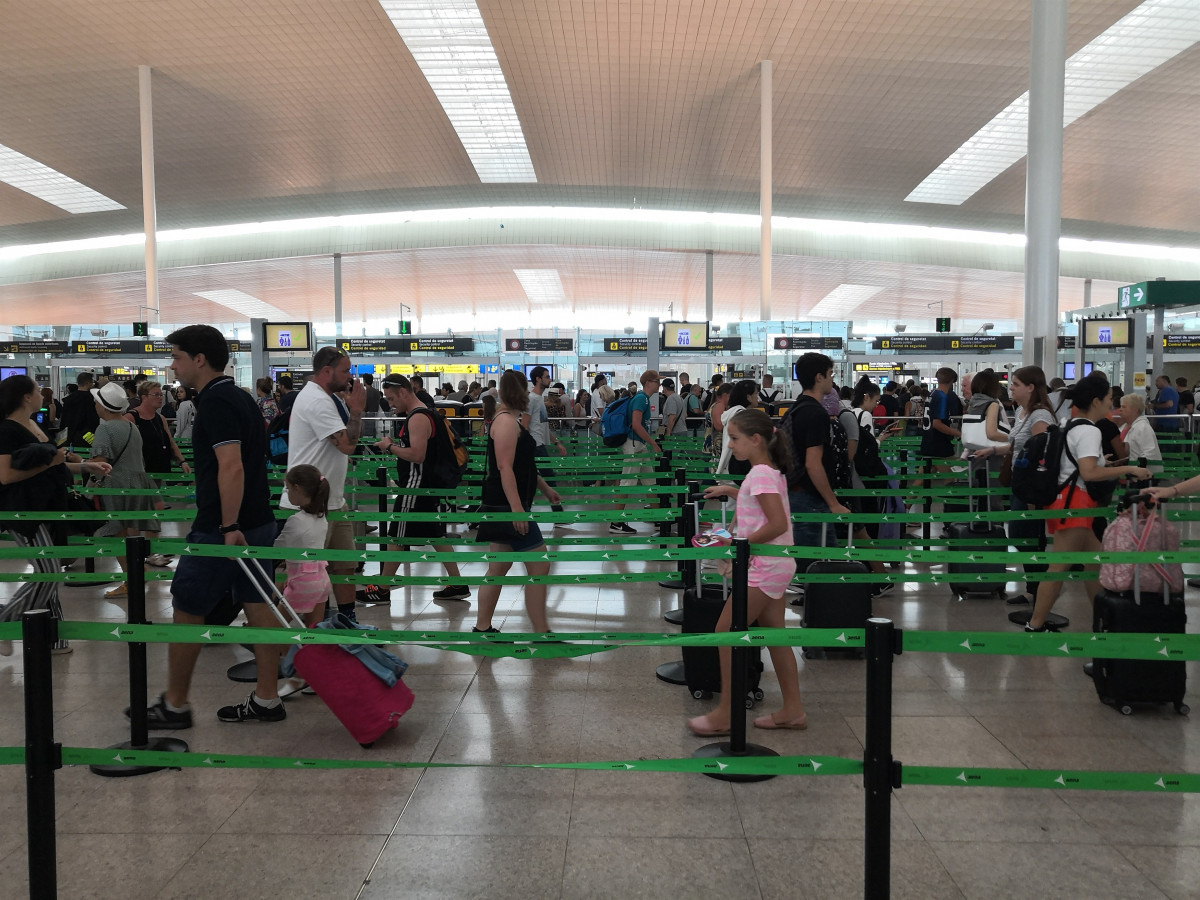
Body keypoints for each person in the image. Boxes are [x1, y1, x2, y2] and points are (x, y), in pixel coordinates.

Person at [132, 325, 284, 727]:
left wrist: (227, 523)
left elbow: (230, 466)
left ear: (199, 359)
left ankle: (176, 704)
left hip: (223, 527)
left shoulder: (216, 403)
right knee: (259, 605)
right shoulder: (243, 398)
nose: (173, 365)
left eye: (177, 356)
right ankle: (268, 698)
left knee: (187, 605)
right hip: (258, 519)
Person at [687, 409, 806, 736]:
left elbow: (777, 523)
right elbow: (761, 507)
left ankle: (727, 712)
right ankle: (793, 710)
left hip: (764, 567)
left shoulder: (761, 474)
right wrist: (731, 491)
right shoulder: (767, 471)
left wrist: (736, 543)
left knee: (725, 632)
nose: (731, 445)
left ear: (756, 440)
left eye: (736, 439)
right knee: (776, 638)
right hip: (777, 564)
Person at [1025, 372, 1151, 632]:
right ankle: (1035, 624)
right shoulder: (1089, 431)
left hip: (1069, 503)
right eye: (1108, 399)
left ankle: (1104, 620)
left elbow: (1078, 466)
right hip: (1075, 505)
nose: (1111, 405)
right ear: (1096, 401)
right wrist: (1128, 470)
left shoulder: (1070, 424)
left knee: (1096, 563)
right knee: (1059, 567)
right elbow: (1089, 472)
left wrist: (1105, 462)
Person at [0, 374, 111, 652]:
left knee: (49, 571)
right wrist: (52, 464)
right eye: (37, 390)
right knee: (48, 572)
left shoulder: (35, 425)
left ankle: (54, 638)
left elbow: (55, 462)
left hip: (48, 506)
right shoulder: (6, 430)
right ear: (26, 397)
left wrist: (86, 466)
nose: (42, 394)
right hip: (25, 511)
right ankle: (6, 621)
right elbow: (6, 476)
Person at [357, 374, 470, 604]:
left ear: (403, 391)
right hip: (429, 486)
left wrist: (390, 447)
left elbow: (417, 455)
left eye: (391, 398)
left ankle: (382, 588)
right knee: (437, 536)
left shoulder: (418, 418)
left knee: (397, 535)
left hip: (416, 488)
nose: (390, 404)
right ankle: (457, 583)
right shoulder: (427, 413)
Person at [472, 369, 562, 634]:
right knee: (539, 563)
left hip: (508, 504)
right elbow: (504, 468)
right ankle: (541, 630)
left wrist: (544, 488)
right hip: (506, 505)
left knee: (498, 567)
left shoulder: (511, 421)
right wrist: (518, 511)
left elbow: (524, 465)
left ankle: (482, 627)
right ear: (520, 392)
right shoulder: (506, 423)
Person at [284, 347, 366, 621]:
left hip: (332, 501)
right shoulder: (317, 400)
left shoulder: (328, 398)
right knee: (307, 574)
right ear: (327, 372)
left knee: (344, 566)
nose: (349, 377)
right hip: (309, 504)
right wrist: (356, 411)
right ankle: (300, 634)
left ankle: (346, 621)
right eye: (345, 371)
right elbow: (347, 445)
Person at [972, 366, 1055, 606]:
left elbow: (1042, 454)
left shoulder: (1040, 416)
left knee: (1026, 535)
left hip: (1031, 486)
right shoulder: (1021, 412)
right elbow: (1017, 445)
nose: (1011, 388)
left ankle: (1041, 588)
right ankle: (1033, 588)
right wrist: (993, 450)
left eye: (1016, 384)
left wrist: (1035, 491)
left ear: (1030, 387)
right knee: (1022, 536)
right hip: (1019, 481)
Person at [89, 381, 169, 595]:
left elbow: (100, 464)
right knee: (127, 534)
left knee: (117, 533)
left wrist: (79, 462)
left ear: (103, 406)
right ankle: (136, 571)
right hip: (138, 483)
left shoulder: (104, 428)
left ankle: (132, 578)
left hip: (116, 486)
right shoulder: (131, 426)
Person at [785, 354, 852, 596]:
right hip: (810, 500)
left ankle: (815, 609)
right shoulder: (815, 414)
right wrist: (833, 503)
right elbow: (814, 464)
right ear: (819, 377)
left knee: (817, 564)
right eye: (830, 374)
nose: (832, 380)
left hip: (796, 494)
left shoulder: (795, 409)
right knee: (821, 565)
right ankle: (821, 618)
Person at [841, 379, 890, 595]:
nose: (875, 405)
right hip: (868, 478)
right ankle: (875, 571)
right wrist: (880, 440)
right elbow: (866, 448)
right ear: (866, 397)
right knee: (870, 525)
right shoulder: (865, 415)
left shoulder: (849, 414)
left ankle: (868, 569)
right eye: (875, 400)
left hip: (854, 478)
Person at [274, 464, 333, 627]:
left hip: (302, 582)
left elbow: (278, 548)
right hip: (321, 579)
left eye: (287, 489)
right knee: (313, 629)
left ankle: (279, 652)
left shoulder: (296, 520)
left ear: (297, 488)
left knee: (275, 627)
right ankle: (312, 652)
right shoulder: (322, 518)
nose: (287, 493)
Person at [610, 370, 662, 535]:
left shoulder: (643, 398)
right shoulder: (640, 399)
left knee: (650, 482)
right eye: (657, 381)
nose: (659, 384)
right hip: (634, 445)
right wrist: (653, 443)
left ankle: (659, 519)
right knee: (627, 484)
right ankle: (616, 522)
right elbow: (637, 425)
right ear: (648, 383)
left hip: (639, 445)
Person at [127, 380, 191, 488]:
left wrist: (182, 462)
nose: (160, 397)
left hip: (158, 470)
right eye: (156, 395)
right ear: (144, 397)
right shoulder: (131, 418)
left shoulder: (160, 418)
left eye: (161, 394)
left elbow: (171, 442)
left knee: (156, 500)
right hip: (139, 472)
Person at [523, 367, 568, 520]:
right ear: (538, 379)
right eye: (547, 377)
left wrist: (557, 443)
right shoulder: (531, 399)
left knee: (534, 480)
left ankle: (526, 512)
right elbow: (524, 425)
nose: (549, 380)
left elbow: (543, 426)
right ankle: (558, 515)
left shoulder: (540, 399)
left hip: (539, 444)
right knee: (549, 479)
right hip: (535, 446)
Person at [716, 379, 757, 476]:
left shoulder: (733, 413)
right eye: (756, 394)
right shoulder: (741, 416)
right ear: (749, 397)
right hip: (737, 468)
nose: (757, 397)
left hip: (729, 467)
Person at [1118, 393, 1162, 472]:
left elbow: (1149, 453)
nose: (1120, 409)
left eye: (1124, 407)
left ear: (1135, 410)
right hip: (1128, 471)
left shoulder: (1143, 428)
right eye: (1120, 406)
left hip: (1144, 475)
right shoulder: (1123, 427)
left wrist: (1138, 470)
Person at [61, 370, 100, 449]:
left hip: (70, 436)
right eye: (92, 382)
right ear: (88, 383)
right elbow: (93, 420)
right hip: (87, 437)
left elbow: (64, 420)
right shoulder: (90, 398)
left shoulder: (68, 399)